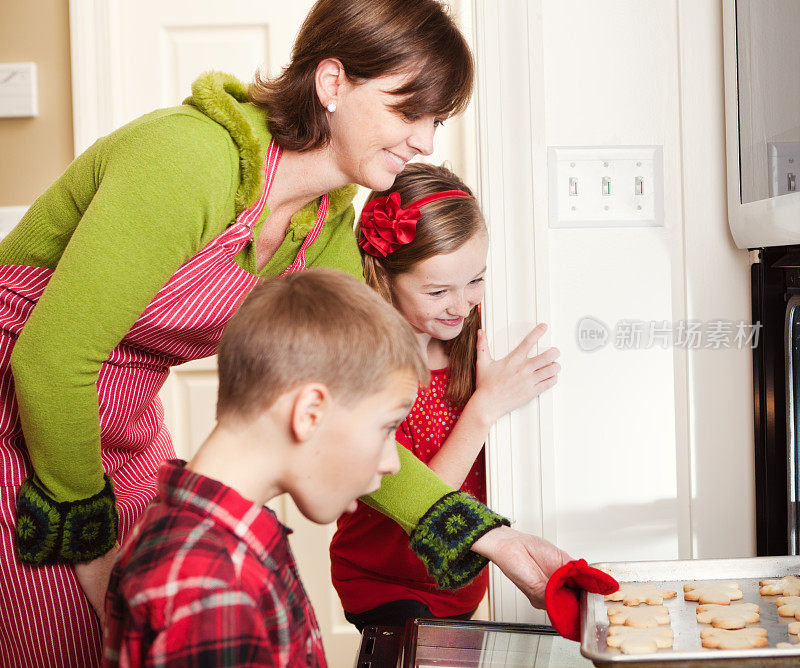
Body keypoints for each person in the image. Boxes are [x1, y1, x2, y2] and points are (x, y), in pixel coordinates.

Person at [0, 1, 568, 664]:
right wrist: (93, 556)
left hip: (121, 424)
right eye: (406, 111)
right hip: (23, 407)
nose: (425, 141)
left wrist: (494, 541)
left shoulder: (325, 228)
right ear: (332, 83)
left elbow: (350, 415)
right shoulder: (190, 159)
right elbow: (51, 360)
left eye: (435, 119)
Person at [102, 268, 427, 667]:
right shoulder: (211, 583)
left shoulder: (224, 540)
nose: (392, 463)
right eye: (387, 427)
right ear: (310, 413)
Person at [330, 163, 562, 629]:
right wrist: (486, 406)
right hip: (383, 581)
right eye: (438, 291)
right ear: (386, 277)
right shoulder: (368, 371)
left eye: (475, 280)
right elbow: (420, 498)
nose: (462, 304)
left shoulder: (470, 340)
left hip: (460, 581)